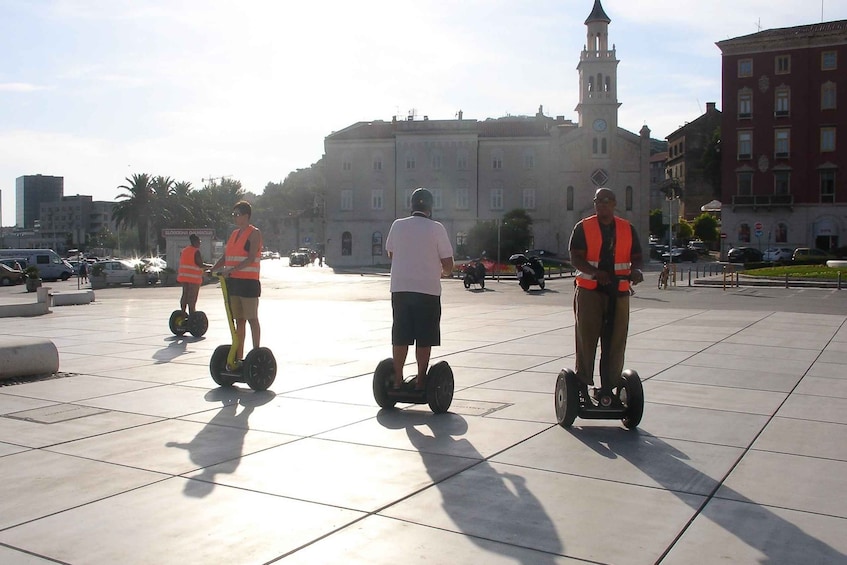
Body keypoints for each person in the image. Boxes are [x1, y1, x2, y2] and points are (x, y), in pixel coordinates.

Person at [569, 187, 644, 402]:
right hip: (590, 290)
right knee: (587, 338)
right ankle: (582, 383)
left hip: (618, 292)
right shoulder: (583, 227)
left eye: (607, 200)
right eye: (598, 200)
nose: (602, 203)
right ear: (594, 204)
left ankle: (609, 387)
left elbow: (637, 256)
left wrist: (636, 270)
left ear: (614, 204)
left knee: (616, 341)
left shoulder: (627, 228)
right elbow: (575, 257)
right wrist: (595, 272)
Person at [385, 187, 454, 390]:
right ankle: (421, 382)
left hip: (400, 289)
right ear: (430, 208)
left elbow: (391, 254)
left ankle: (397, 380)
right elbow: (448, 263)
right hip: (427, 291)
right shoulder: (437, 228)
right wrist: (444, 273)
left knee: (401, 335)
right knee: (424, 337)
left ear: (412, 205)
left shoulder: (397, 225)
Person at [211, 200, 263, 367]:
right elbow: (226, 256)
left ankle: (256, 353)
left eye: (237, 214)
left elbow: (251, 258)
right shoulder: (234, 234)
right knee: (238, 320)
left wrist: (231, 270)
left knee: (252, 319)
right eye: (233, 215)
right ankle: (238, 356)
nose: (234, 217)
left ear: (246, 216)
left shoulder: (254, 233)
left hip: (249, 283)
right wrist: (213, 268)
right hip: (234, 283)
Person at [177, 234, 210, 316]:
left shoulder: (184, 250)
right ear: (195, 242)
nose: (200, 244)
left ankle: (182, 312)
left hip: (184, 276)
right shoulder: (196, 251)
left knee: (185, 294)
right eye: (199, 242)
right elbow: (200, 264)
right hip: (193, 278)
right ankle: (192, 313)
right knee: (192, 296)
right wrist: (211, 266)